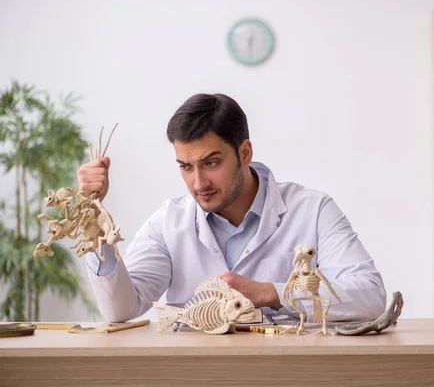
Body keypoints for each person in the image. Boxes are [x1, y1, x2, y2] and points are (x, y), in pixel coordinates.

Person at [79, 93, 386, 323]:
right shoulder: (168, 222)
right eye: (186, 166)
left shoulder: (313, 210)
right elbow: (120, 310)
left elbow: (370, 296)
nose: (198, 183)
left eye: (211, 163)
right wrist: (94, 225)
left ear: (245, 152)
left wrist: (272, 293)